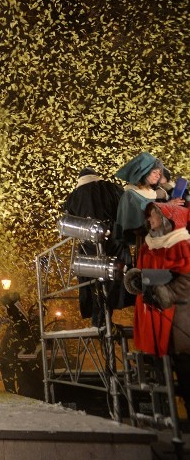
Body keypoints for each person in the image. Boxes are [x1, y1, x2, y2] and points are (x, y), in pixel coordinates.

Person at [124, 202, 190, 410]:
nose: (150, 220)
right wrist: (138, 280)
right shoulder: (148, 246)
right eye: (150, 216)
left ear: (168, 221)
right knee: (163, 372)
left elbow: (185, 279)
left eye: (154, 216)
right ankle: (171, 419)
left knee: (186, 371)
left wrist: (164, 292)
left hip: (179, 318)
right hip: (155, 315)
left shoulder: (182, 245)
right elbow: (151, 276)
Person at [62, 166, 127, 324]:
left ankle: (100, 317)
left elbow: (69, 224)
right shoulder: (112, 188)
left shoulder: (73, 197)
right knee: (114, 277)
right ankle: (106, 314)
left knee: (94, 282)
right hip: (113, 242)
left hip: (88, 247)